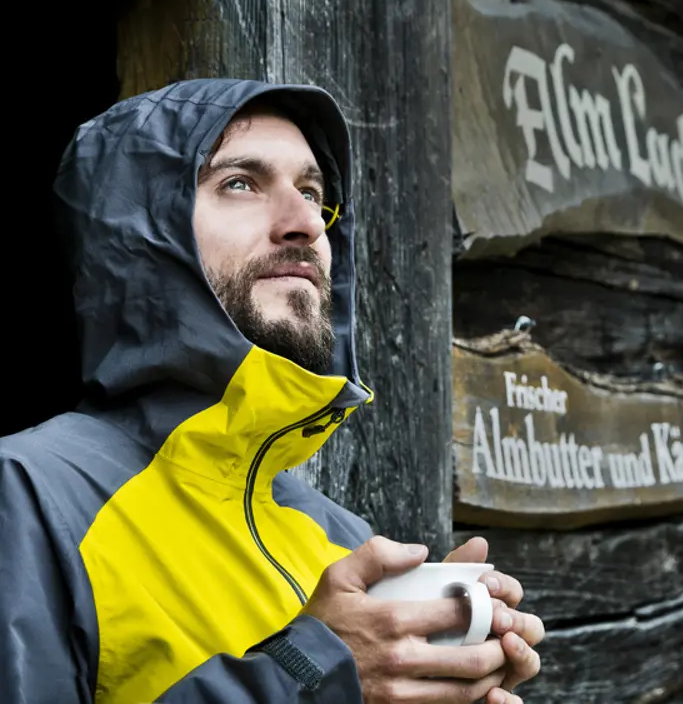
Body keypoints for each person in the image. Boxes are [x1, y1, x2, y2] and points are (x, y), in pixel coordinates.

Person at [0, 79, 544, 703]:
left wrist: (441, 677)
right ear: (138, 234)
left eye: (312, 193)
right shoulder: (27, 494)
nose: (306, 222)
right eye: (240, 183)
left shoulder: (342, 537)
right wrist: (312, 672)